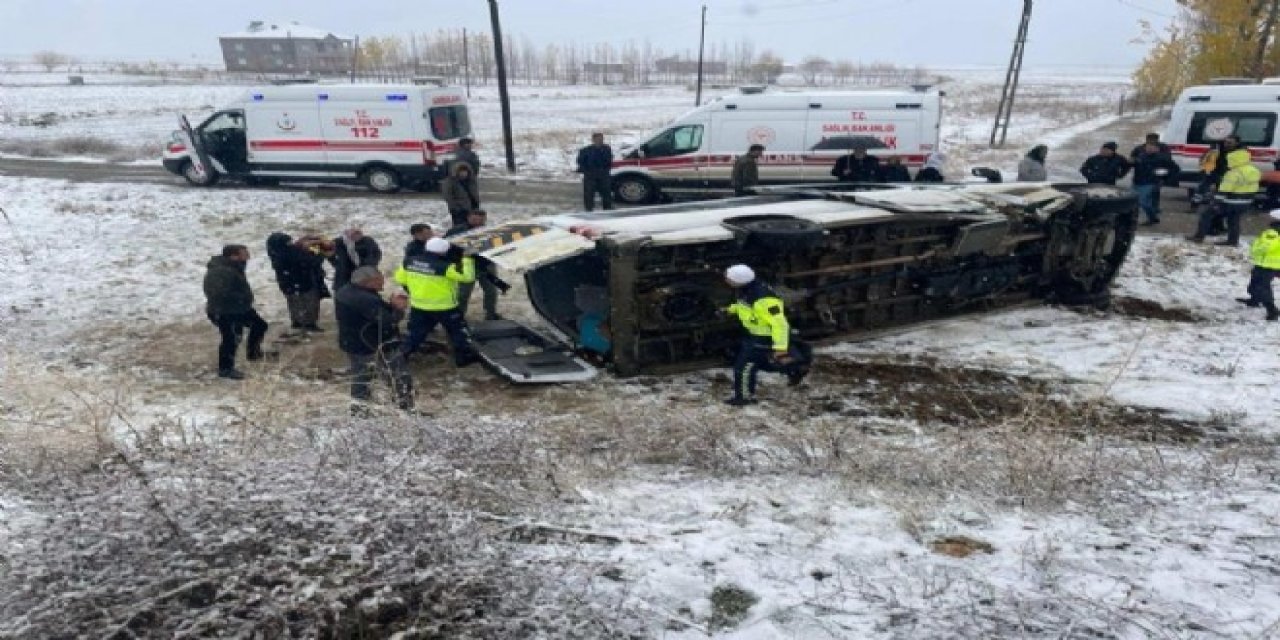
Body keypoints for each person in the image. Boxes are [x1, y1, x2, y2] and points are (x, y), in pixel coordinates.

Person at [722, 264, 811, 406]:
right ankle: (795, 368)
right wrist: (730, 310)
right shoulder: (747, 290)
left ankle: (743, 398)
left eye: (729, 278)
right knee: (761, 363)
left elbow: (780, 324)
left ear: (738, 281)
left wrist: (780, 347)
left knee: (743, 367)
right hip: (755, 335)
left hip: (763, 337)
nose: (726, 279)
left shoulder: (763, 299)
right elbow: (745, 307)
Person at [335, 266, 415, 413]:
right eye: (379, 280)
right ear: (368, 282)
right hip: (373, 344)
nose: (383, 283)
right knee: (399, 376)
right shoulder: (365, 299)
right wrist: (398, 308)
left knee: (361, 378)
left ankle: (359, 410)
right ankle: (405, 408)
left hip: (353, 343)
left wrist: (388, 306)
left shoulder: (345, 291)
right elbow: (388, 321)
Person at [395, 237, 480, 367]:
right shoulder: (445, 266)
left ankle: (399, 358)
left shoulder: (408, 262)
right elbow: (467, 277)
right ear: (443, 252)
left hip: (419, 306)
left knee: (415, 334)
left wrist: (415, 290)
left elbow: (400, 278)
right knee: (458, 333)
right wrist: (467, 259)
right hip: (446, 307)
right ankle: (463, 359)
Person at [203, 244, 268, 380]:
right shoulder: (220, 271)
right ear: (233, 256)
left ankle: (253, 353)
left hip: (239, 308)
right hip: (225, 311)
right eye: (245, 254)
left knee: (259, 325)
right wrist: (240, 298)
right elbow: (216, 293)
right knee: (231, 338)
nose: (248, 257)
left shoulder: (233, 267)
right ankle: (225, 369)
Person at [1192, 145, 1259, 245]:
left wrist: (1215, 202)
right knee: (1234, 220)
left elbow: (1224, 190)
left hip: (1231, 201)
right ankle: (1232, 240)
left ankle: (1199, 237)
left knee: (1206, 215)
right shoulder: (1254, 170)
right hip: (1246, 201)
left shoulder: (1233, 173)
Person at [266, 232, 330, 333]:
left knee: (294, 303)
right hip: (304, 282)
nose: (291, 243)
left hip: (287, 284)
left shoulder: (276, 253)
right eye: (288, 242)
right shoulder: (291, 254)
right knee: (309, 303)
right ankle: (309, 324)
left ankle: (297, 322)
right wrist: (318, 251)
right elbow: (313, 261)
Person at [445, 209, 501, 321]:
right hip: (465, 265)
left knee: (491, 291)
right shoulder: (456, 231)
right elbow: (446, 246)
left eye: (481, 220)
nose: (478, 223)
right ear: (469, 218)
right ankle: (459, 316)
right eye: (475, 219)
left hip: (486, 265)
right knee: (463, 293)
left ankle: (491, 313)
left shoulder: (491, 231)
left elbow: (499, 246)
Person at [1237, 210, 1280, 321]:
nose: (1268, 218)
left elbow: (1265, 247)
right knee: (1256, 281)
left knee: (1262, 286)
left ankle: (1272, 309)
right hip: (1270, 263)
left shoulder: (1272, 233)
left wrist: (1255, 248)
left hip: (1267, 263)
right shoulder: (1273, 232)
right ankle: (1255, 299)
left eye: (1270, 217)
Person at [1131, 140, 1180, 226]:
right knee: (1133, 202)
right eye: (1147, 147)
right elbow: (1133, 165)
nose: (1149, 149)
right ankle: (1136, 219)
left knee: (1143, 202)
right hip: (1137, 182)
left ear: (1157, 149)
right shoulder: (1141, 156)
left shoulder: (1162, 158)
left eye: (1152, 147)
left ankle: (1153, 217)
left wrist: (1165, 178)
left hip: (1150, 183)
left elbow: (1175, 169)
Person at [330, 223, 381, 291]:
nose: (356, 235)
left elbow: (375, 255)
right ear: (346, 232)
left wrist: (365, 267)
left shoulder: (367, 241)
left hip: (364, 280)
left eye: (358, 232)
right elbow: (329, 255)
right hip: (343, 280)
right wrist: (338, 265)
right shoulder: (338, 243)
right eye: (353, 232)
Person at [576, 132, 614, 211]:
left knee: (606, 193)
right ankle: (589, 209)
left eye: (601, 139)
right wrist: (586, 171)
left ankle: (607, 209)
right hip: (590, 175)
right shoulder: (585, 150)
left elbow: (609, 161)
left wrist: (605, 170)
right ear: (593, 140)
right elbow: (580, 162)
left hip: (603, 174)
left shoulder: (607, 149)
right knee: (589, 194)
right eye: (598, 139)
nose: (600, 140)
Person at [442, 162, 481, 226]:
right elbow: (448, 196)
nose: (464, 173)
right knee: (460, 226)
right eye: (461, 172)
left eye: (465, 172)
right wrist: (455, 207)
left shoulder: (471, 181)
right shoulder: (450, 181)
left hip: (472, 207)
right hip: (459, 209)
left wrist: (476, 202)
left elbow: (475, 192)